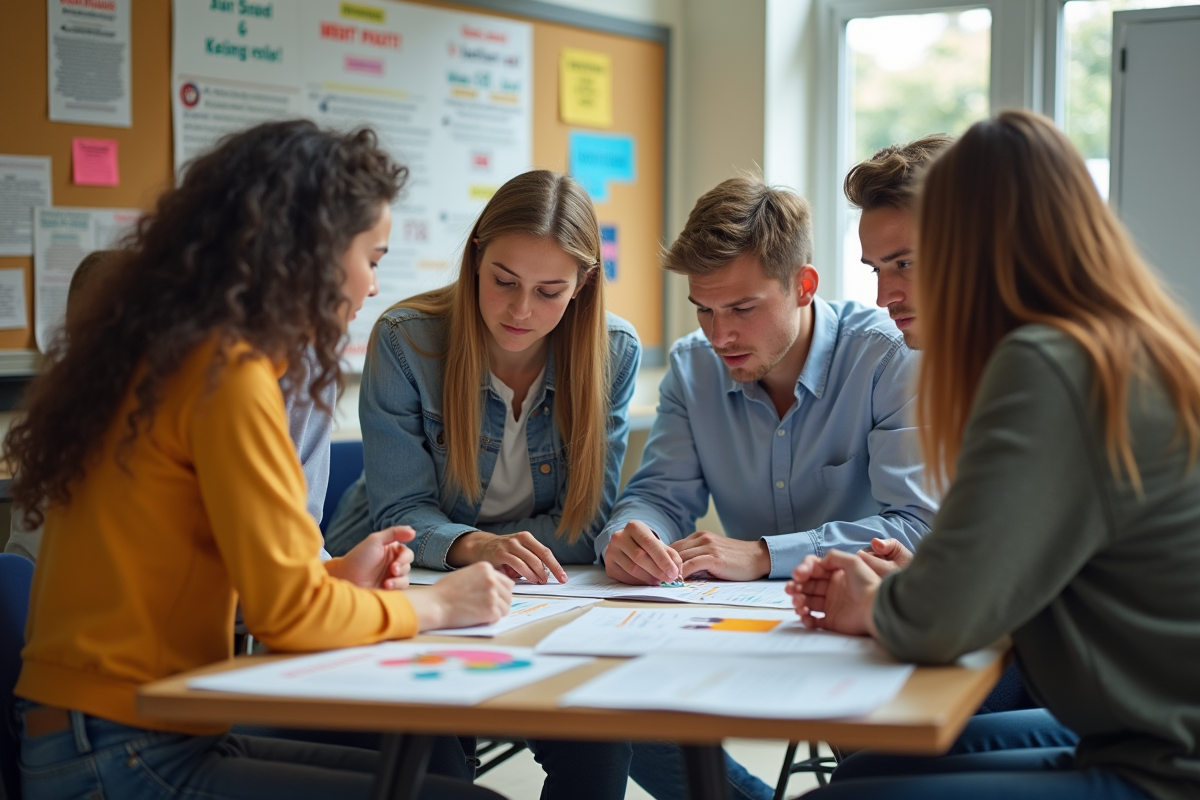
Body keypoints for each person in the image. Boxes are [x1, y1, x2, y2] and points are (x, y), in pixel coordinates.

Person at [4, 120, 514, 800]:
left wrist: (336, 576)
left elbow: (232, 583)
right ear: (312, 254)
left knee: (436, 781)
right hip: (121, 751)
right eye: (373, 256)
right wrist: (440, 607)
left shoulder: (171, 356)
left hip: (122, 733)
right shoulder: (227, 376)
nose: (371, 288)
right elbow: (289, 619)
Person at [788, 109, 1200, 800]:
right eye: (880, 268)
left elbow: (940, 622)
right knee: (870, 769)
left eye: (915, 259)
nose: (887, 294)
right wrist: (923, 580)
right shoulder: (1115, 339)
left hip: (1166, 762)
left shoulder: (1052, 364)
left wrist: (882, 601)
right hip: (1138, 730)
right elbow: (1004, 572)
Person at [601, 177, 937, 800]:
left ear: (803, 286)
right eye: (704, 309)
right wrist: (632, 532)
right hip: (743, 628)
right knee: (615, 707)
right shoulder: (691, 366)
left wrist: (762, 553)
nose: (718, 334)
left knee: (880, 763)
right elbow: (661, 494)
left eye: (742, 309)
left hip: (861, 633)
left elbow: (917, 528)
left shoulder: (893, 358)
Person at [323, 169, 641, 800]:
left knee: (603, 737)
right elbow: (402, 514)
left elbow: (586, 523)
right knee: (438, 749)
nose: (522, 310)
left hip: (536, 599)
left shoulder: (614, 350)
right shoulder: (406, 340)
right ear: (474, 261)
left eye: (550, 291)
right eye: (504, 282)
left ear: (582, 286)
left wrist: (496, 554)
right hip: (401, 580)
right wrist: (477, 547)